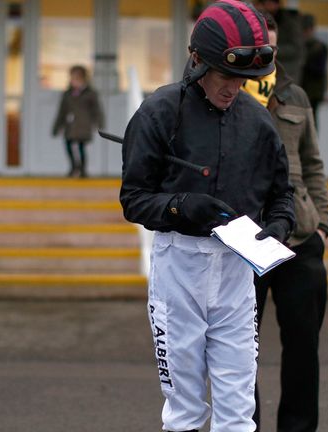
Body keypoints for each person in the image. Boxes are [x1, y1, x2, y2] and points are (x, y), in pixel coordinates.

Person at [119, 1, 295, 431]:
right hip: (179, 266)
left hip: (237, 270)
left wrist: (277, 227)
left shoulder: (257, 121)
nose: (235, 87)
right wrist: (180, 206)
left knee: (238, 411)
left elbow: (282, 195)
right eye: (227, 75)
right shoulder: (159, 113)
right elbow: (134, 199)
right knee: (185, 409)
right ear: (198, 61)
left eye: (244, 79)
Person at [242, 13, 328, 432]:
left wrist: (323, 223)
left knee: (302, 348)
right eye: (260, 50)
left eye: (272, 50)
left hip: (300, 240)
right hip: (246, 240)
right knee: (241, 349)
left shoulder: (294, 95)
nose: (267, 56)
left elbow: (313, 162)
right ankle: (246, 425)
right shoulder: (228, 93)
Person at [51, 64, 104, 178]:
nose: (73, 81)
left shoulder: (90, 93)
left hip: (83, 125)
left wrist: (99, 123)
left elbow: (97, 109)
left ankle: (82, 170)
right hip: (70, 125)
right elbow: (62, 111)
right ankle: (74, 167)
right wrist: (57, 127)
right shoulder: (67, 94)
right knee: (68, 145)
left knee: (81, 147)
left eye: (76, 78)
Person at [255, 0, 304, 84]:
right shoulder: (263, 18)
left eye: (269, 3)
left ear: (276, 4)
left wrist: (271, 49)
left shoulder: (290, 22)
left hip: (287, 70)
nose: (266, 6)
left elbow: (296, 48)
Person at [300, 13, 328, 126]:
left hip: (313, 91)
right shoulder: (303, 46)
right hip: (305, 89)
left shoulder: (319, 47)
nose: (306, 33)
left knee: (311, 120)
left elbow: (320, 70)